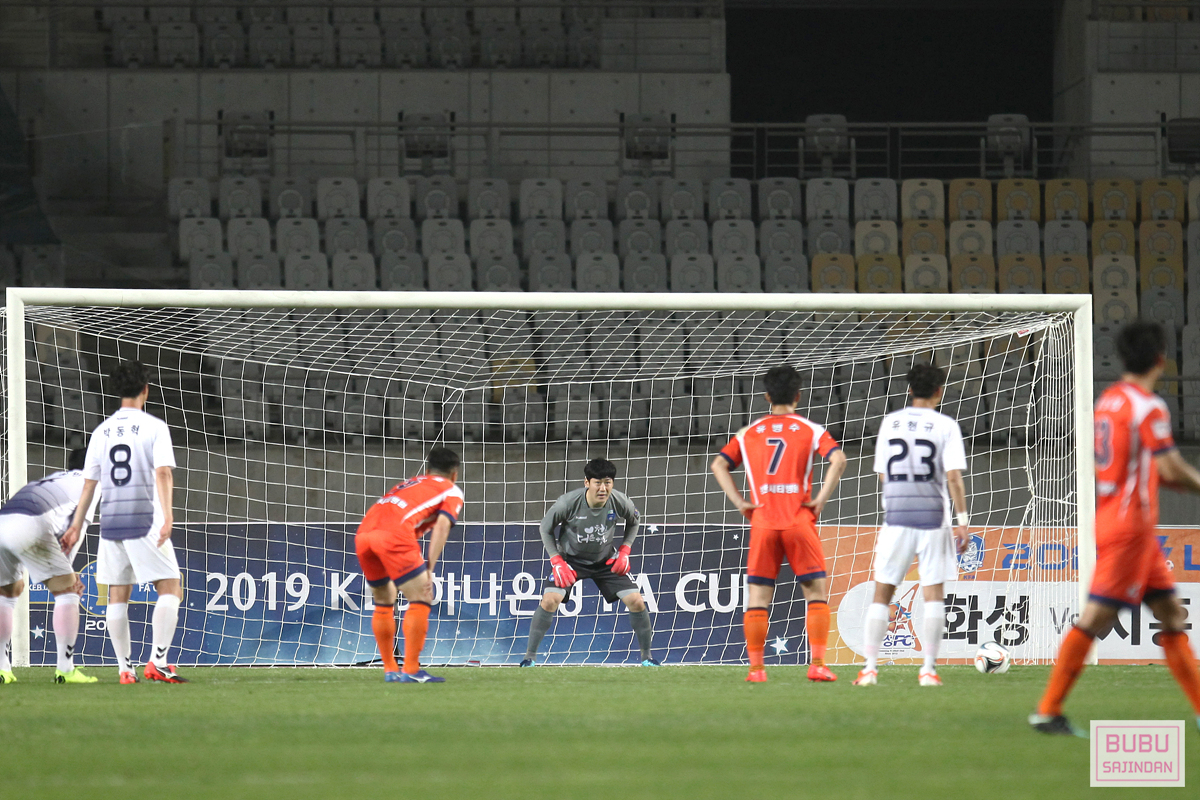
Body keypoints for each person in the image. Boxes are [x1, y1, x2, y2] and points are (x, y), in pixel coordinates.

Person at [1031, 320, 1200, 735]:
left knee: (1171, 615)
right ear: (1161, 359)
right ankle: (1047, 711)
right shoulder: (1148, 406)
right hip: (1131, 527)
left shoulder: (1107, 402)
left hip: (1115, 519)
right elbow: (1168, 468)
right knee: (1094, 618)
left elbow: (1115, 464)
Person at [711, 365, 848, 683]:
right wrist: (820, 499)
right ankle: (817, 664)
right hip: (799, 520)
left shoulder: (749, 433)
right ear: (798, 396)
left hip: (763, 522)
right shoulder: (810, 429)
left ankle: (757, 670)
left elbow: (718, 464)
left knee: (758, 597)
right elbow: (839, 459)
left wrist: (740, 502)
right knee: (815, 593)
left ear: (767, 397)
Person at [64, 360, 185, 684]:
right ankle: (158, 662)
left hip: (111, 524)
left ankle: (125, 670)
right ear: (146, 390)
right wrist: (168, 515)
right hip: (144, 520)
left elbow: (89, 484)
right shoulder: (154, 427)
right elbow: (163, 472)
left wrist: (76, 525)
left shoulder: (101, 431)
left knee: (118, 593)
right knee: (170, 586)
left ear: (117, 392)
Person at [853, 363, 968, 688]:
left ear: (909, 390)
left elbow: (882, 474)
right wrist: (962, 521)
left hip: (897, 519)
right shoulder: (946, 425)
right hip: (934, 519)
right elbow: (953, 477)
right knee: (934, 594)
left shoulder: (891, 422)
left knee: (882, 592)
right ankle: (928, 670)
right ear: (939, 391)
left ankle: (869, 670)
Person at [520, 458, 657, 667]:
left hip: (605, 560)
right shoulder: (567, 503)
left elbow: (634, 520)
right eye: (597, 483)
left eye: (608, 482)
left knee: (637, 601)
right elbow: (545, 528)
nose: (603, 488)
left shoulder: (620, 501)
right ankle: (529, 657)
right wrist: (556, 560)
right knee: (549, 601)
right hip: (570, 561)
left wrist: (625, 550)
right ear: (587, 482)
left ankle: (647, 658)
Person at [356, 447, 464, 683]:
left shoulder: (410, 482)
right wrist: (430, 569)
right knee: (422, 597)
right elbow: (442, 526)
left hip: (364, 534)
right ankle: (412, 670)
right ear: (454, 473)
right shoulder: (451, 490)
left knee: (384, 600)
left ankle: (390, 669)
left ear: (428, 469)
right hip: (394, 536)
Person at [0, 449, 98, 684]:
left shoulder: (55, 477)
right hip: (31, 524)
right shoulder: (91, 484)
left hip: (3, 521)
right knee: (68, 591)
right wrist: (69, 575)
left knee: (7, 592)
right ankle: (65, 670)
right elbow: (73, 530)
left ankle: (2, 669)